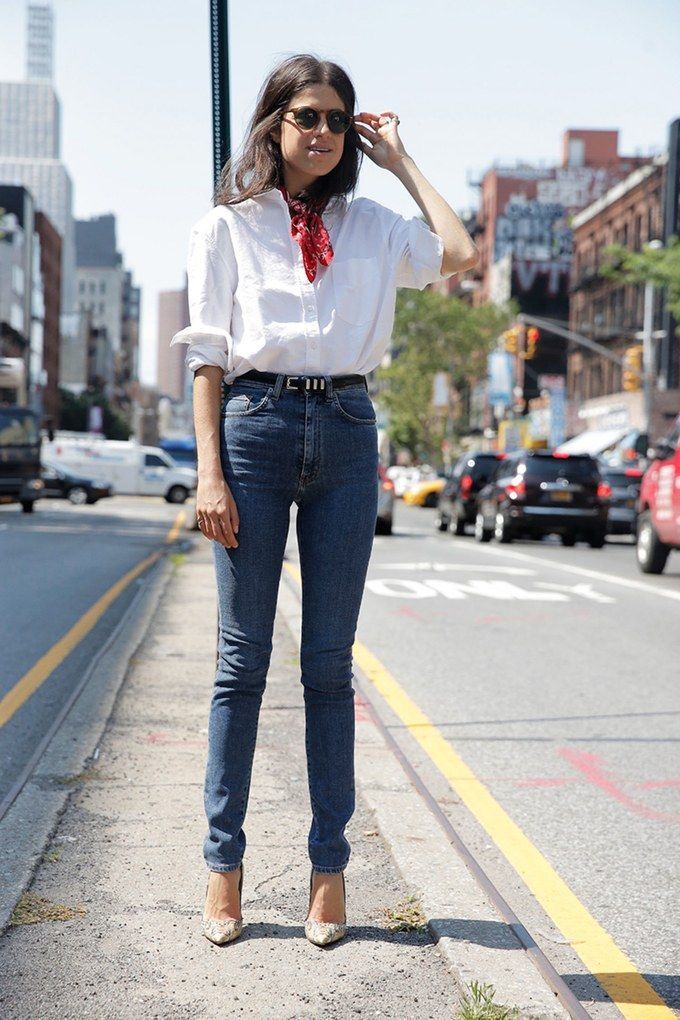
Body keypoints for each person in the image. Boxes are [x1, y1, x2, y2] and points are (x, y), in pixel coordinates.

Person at [170, 53, 479, 948]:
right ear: (275, 123)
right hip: (255, 428)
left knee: (329, 666)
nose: (324, 133)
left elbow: (457, 254)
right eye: (308, 115)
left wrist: (403, 162)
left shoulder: (374, 223)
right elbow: (207, 356)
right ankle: (223, 869)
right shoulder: (227, 229)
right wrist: (209, 472)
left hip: (347, 430)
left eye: (339, 120)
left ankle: (328, 875)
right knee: (242, 662)